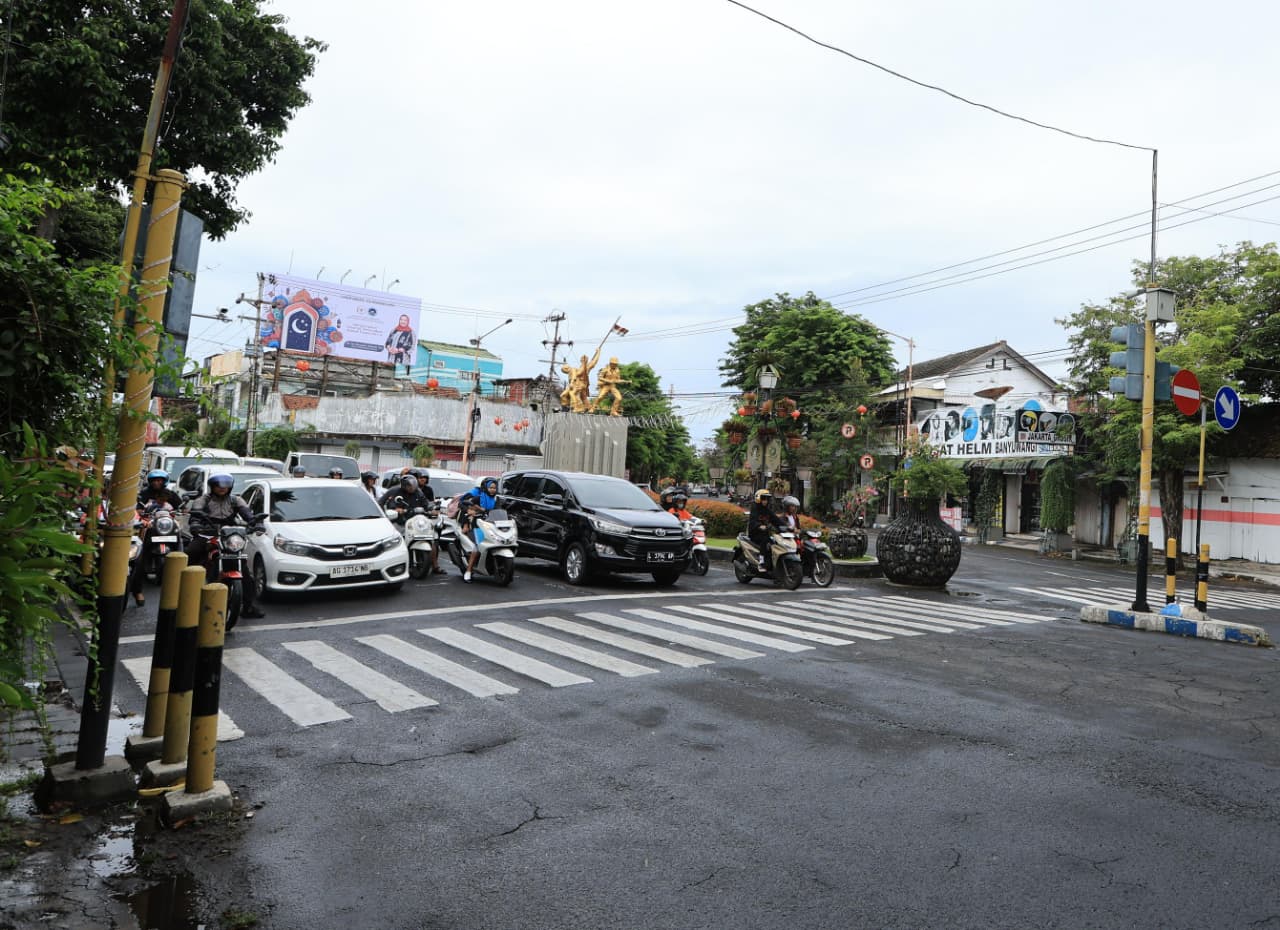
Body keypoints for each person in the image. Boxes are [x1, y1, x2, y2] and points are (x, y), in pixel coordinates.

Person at [187, 474, 264, 619]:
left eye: (226, 486)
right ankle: (187, 589)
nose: (222, 489)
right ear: (213, 487)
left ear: (230, 487)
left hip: (229, 535)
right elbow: (195, 514)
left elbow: (247, 514)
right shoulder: (203, 499)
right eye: (219, 486)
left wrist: (256, 523)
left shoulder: (236, 500)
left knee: (244, 570)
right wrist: (196, 524)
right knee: (192, 551)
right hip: (207, 533)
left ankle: (248, 607)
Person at [129, 470, 184, 606]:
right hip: (149, 526)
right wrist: (142, 515)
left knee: (181, 537)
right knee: (139, 557)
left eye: (159, 480)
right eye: (154, 480)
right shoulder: (144, 494)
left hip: (167, 526)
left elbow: (181, 507)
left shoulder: (170, 494)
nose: (156, 483)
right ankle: (137, 590)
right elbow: (138, 509)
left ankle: (181, 564)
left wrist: (181, 512)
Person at [378, 475, 444, 575]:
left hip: (416, 521)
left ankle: (435, 566)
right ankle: (392, 564)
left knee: (433, 538)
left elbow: (426, 503)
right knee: (394, 539)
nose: (412, 488)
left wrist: (432, 509)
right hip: (399, 521)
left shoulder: (418, 492)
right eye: (409, 486)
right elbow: (381, 503)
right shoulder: (394, 491)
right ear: (404, 485)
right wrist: (394, 510)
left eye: (413, 485)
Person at [458, 477, 499, 582]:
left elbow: (500, 511)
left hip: (492, 526)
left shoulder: (496, 500)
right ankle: (468, 571)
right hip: (478, 526)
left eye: (494, 488)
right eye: (490, 488)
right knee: (477, 547)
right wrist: (469, 511)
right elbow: (462, 503)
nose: (492, 490)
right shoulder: (478, 498)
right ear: (486, 488)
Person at [747, 488, 783, 572]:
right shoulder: (755, 508)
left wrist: (786, 526)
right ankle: (761, 562)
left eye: (767, 499)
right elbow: (752, 521)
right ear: (758, 498)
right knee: (765, 540)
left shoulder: (767, 510)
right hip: (755, 534)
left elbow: (775, 519)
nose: (765, 501)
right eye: (763, 499)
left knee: (774, 542)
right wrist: (759, 526)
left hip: (765, 533)